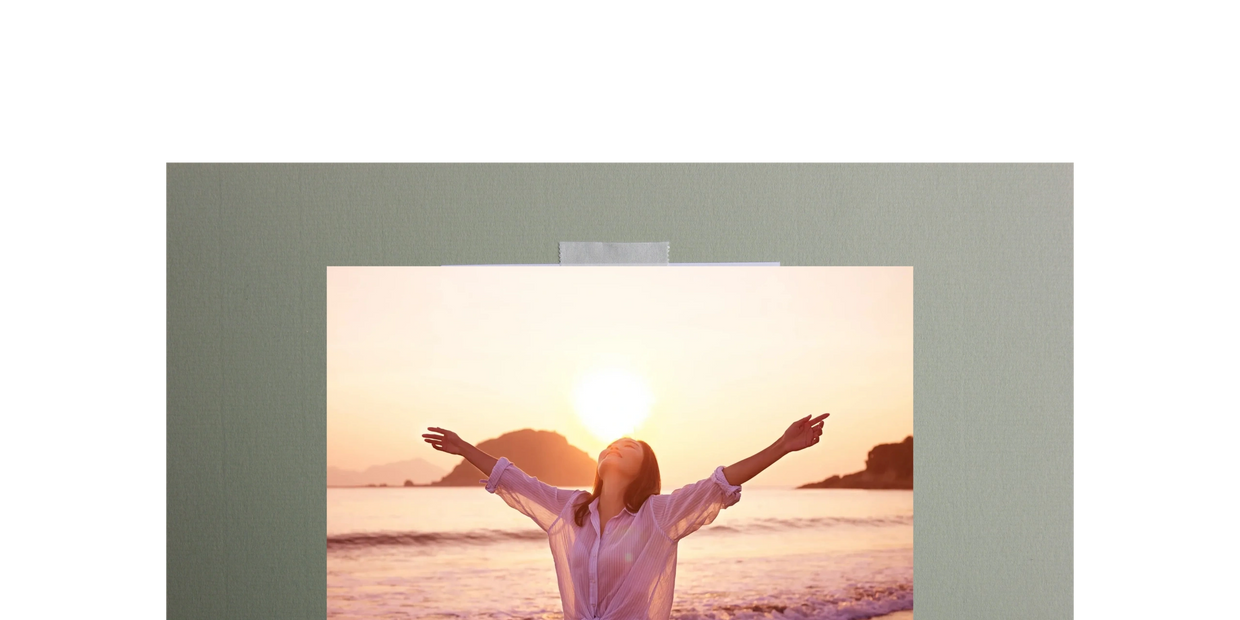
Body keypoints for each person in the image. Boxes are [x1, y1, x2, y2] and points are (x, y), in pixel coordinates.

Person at [422, 413, 830, 620]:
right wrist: (464, 448)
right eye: (612, 444)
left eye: (628, 447)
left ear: (642, 470)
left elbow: (719, 483)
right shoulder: (571, 509)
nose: (615, 447)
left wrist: (782, 445)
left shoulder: (659, 515)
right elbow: (516, 481)